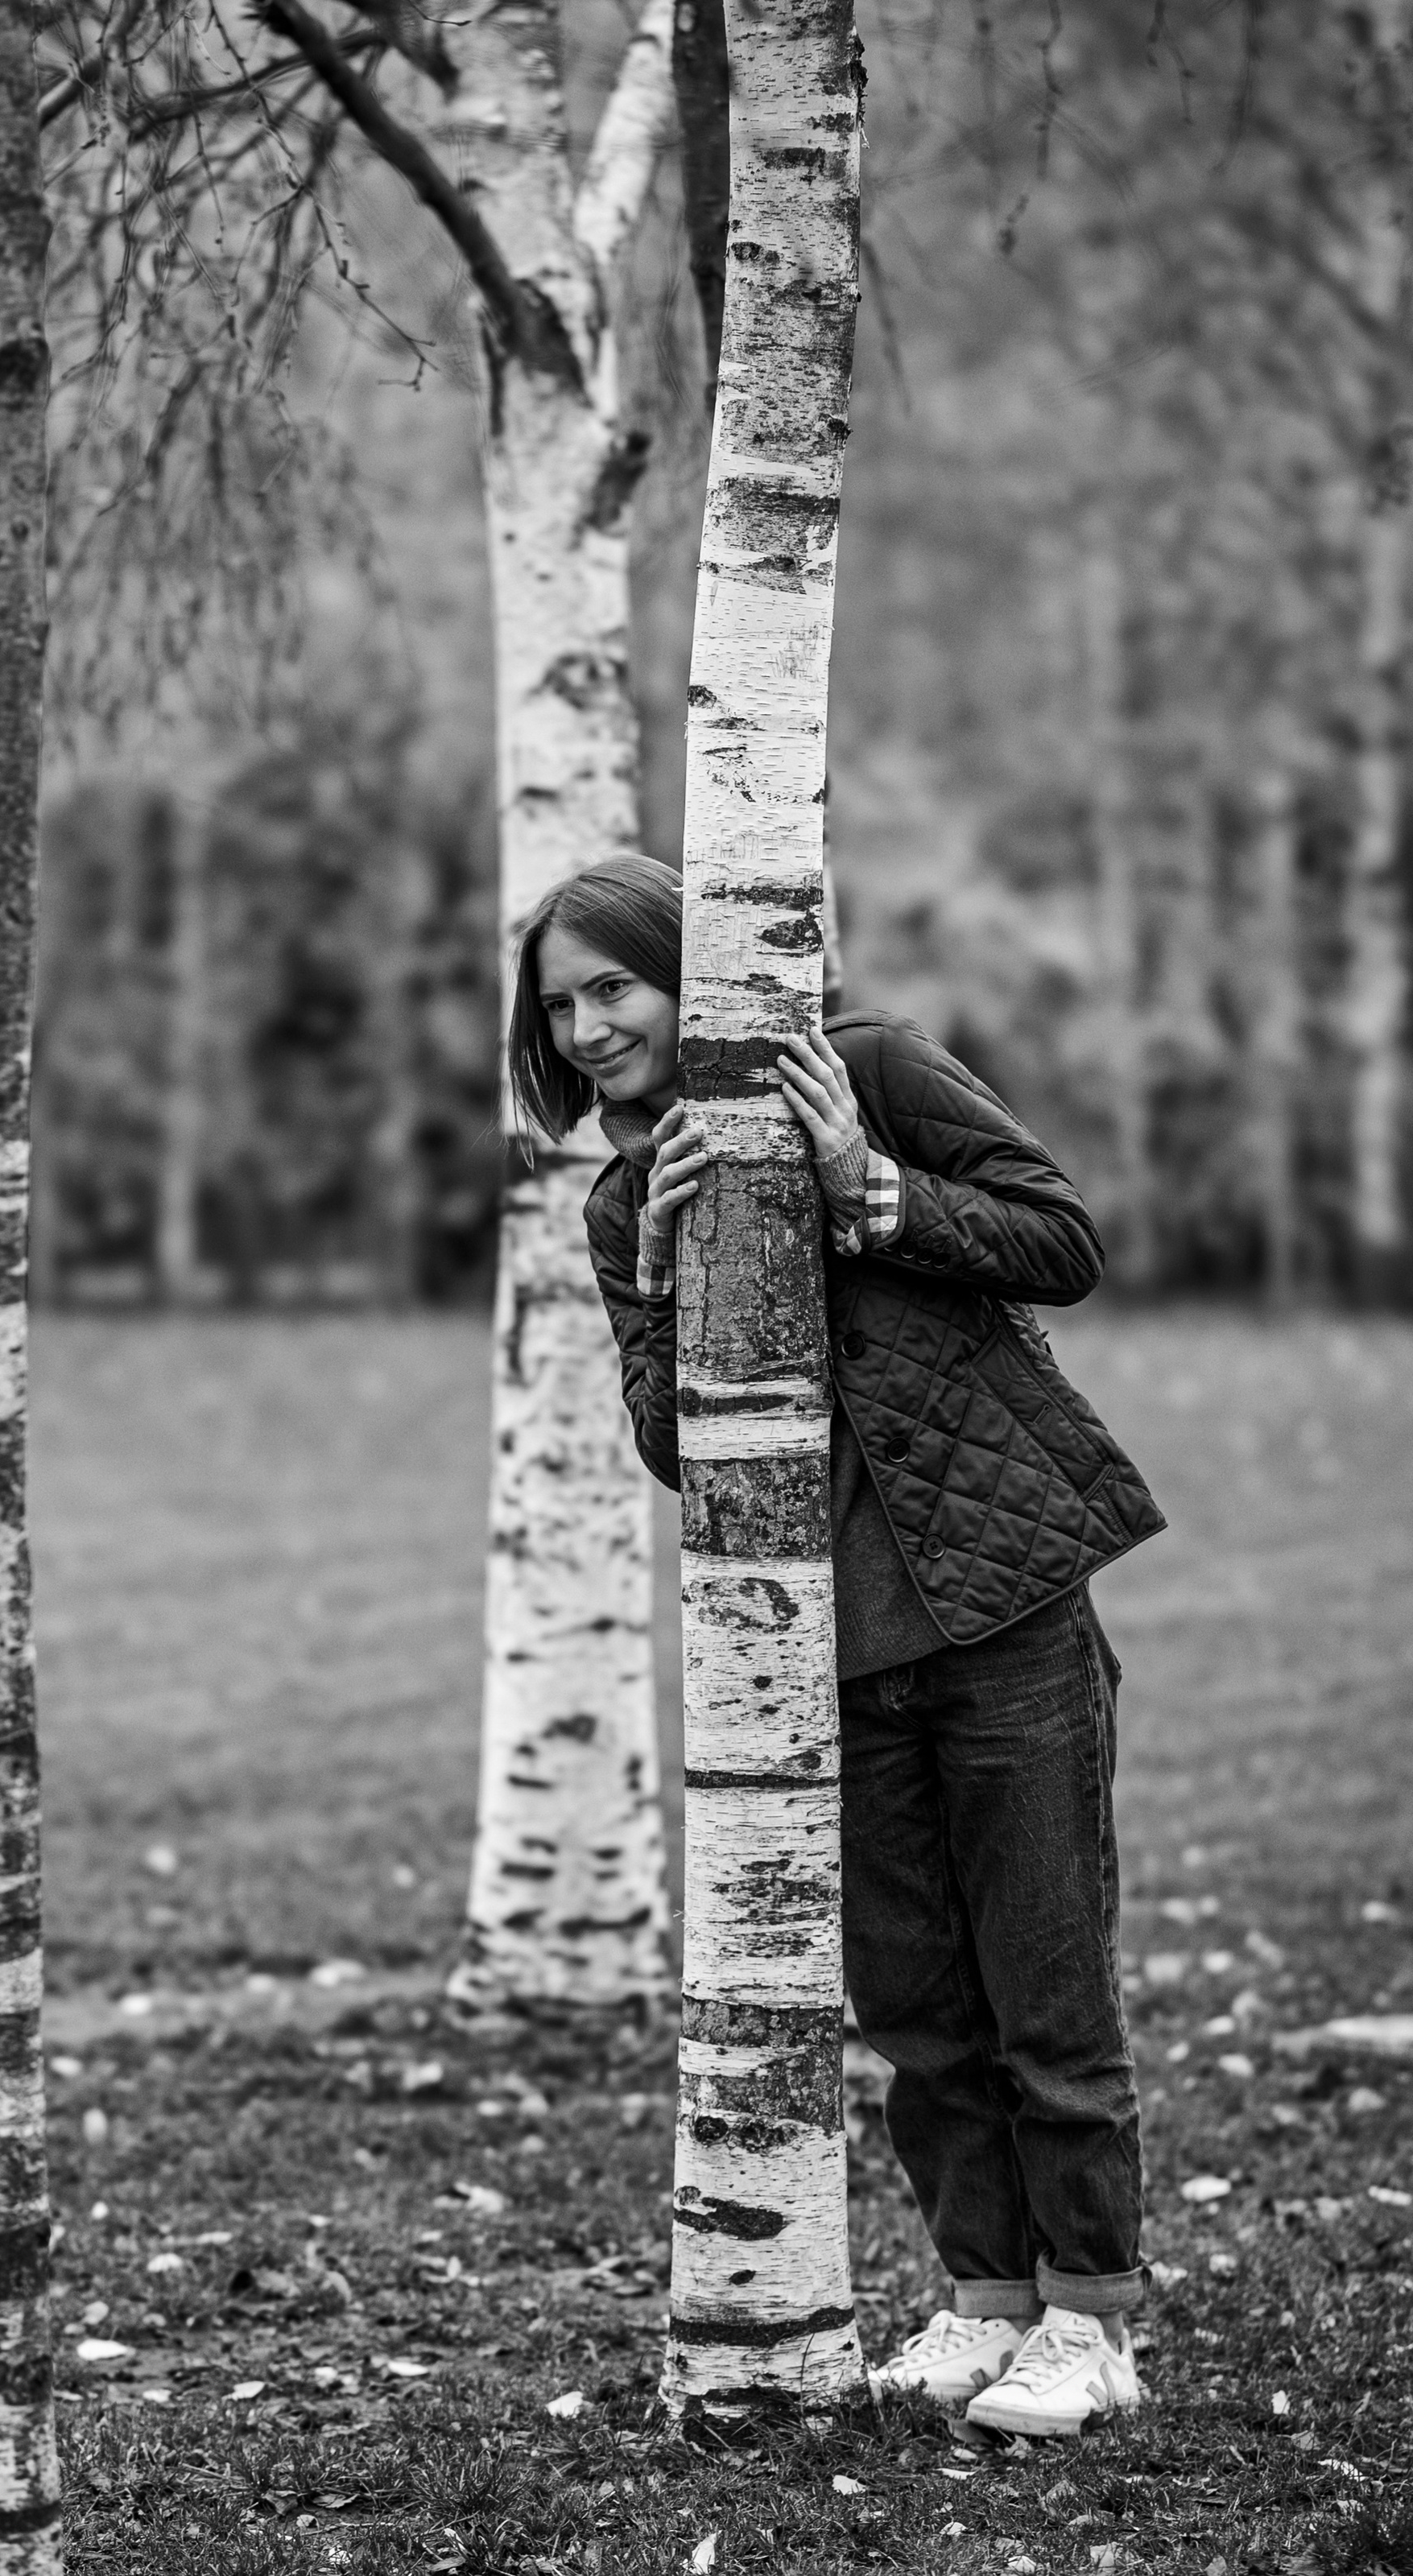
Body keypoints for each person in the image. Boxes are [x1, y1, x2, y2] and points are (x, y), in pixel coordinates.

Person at [507, 850, 1166, 2440]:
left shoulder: (859, 1063)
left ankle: (1090, 2320)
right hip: (820, 1648)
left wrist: (866, 1188)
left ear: (689, 967)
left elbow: (1058, 1237)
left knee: (1040, 1982)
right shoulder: (618, 1197)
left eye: (616, 986)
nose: (592, 1027)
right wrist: (661, 1268)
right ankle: (980, 2301)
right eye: (562, 1007)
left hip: (997, 1602)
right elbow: (676, 1449)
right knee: (915, 2000)